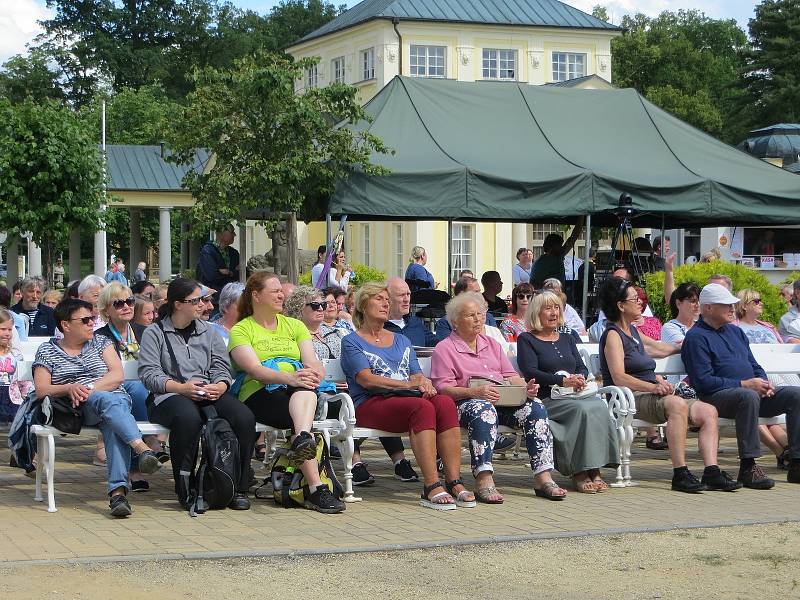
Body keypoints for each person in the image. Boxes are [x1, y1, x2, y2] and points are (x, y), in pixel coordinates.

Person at [340, 282, 474, 510]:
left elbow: (417, 375)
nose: (385, 303)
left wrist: (425, 383)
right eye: (378, 299)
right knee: (422, 408)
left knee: (444, 403)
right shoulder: (352, 341)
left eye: (386, 299)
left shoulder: (401, 340)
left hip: (406, 400)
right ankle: (431, 485)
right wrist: (407, 383)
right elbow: (366, 380)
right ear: (363, 305)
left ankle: (454, 481)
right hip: (370, 404)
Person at [598, 277, 739, 493]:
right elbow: (619, 377)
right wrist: (653, 386)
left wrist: (686, 344)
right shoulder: (613, 336)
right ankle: (680, 472)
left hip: (651, 394)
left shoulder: (633, 332)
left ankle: (712, 472)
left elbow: (660, 349)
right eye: (635, 299)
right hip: (629, 396)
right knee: (677, 405)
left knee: (708, 411)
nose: (640, 303)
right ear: (620, 305)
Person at [432, 292, 567, 502]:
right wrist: (474, 392)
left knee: (536, 407)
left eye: (480, 314)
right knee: (483, 410)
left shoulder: (492, 344)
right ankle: (483, 478)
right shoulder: (445, 348)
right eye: (471, 315)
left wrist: (525, 389)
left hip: (502, 402)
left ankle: (543, 476)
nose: (478, 319)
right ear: (455, 321)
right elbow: (443, 388)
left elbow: (510, 375)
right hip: (465, 405)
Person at [227, 272, 344, 513]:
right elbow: (254, 370)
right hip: (258, 394)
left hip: (296, 391)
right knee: (301, 413)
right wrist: (290, 376)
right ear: (256, 296)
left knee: (306, 394)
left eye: (282, 290)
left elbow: (312, 361)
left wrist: (314, 373)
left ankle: (303, 443)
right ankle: (316, 488)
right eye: (275, 291)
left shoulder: (294, 326)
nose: (282, 294)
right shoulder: (242, 330)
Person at [34, 298, 161, 517]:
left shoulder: (102, 342)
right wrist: (68, 388)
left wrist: (86, 388)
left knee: (110, 415)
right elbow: (42, 389)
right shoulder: (48, 350)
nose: (92, 323)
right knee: (108, 404)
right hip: (77, 409)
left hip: (112, 402)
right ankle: (141, 449)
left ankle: (118, 495)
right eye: (85, 320)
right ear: (66, 325)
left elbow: (117, 376)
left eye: (92, 318)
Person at [138, 278, 255, 511]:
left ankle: (238, 487)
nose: (203, 305)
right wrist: (181, 388)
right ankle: (186, 487)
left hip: (208, 392)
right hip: (168, 396)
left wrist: (221, 385)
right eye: (197, 300)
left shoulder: (208, 331)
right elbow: (149, 374)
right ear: (178, 304)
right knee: (188, 419)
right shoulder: (155, 332)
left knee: (244, 417)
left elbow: (222, 366)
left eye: (203, 299)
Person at [682, 283, 800, 488]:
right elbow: (703, 381)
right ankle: (748, 467)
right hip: (716, 398)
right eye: (726, 305)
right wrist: (745, 384)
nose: (732, 309)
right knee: (747, 396)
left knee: (796, 395)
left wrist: (764, 382)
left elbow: (754, 364)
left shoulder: (735, 333)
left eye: (733, 304)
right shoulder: (696, 337)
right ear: (708, 308)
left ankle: (797, 463)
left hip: (750, 394)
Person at [517, 290, 618, 493]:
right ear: (536, 313)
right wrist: (563, 381)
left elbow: (580, 366)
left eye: (557, 307)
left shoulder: (567, 338)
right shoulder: (527, 339)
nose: (554, 312)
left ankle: (595, 468)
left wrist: (579, 378)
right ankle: (579, 471)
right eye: (548, 308)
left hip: (573, 395)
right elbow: (530, 371)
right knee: (581, 410)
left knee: (598, 406)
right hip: (547, 398)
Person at [96, 282, 164, 492]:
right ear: (106, 309)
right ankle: (150, 444)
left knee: (140, 391)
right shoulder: (100, 337)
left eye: (129, 301)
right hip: (116, 391)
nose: (126, 306)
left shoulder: (146, 331)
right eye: (118, 303)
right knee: (132, 392)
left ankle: (136, 468)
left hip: (148, 389)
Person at [735, 288, 793, 470]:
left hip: (780, 370)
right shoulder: (735, 328)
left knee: (792, 395)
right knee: (758, 407)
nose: (762, 304)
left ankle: (788, 451)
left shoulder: (767, 327)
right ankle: (783, 451)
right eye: (757, 301)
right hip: (755, 375)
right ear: (745, 305)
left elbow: (781, 350)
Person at [435, 277, 496, 342]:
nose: (480, 295)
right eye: (475, 292)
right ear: (461, 294)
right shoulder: (445, 323)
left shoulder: (489, 318)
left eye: (479, 291)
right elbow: (447, 348)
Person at [530, 218, 584, 288]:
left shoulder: (558, 256)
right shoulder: (541, 263)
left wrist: (581, 218)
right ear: (552, 246)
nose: (561, 247)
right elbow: (533, 284)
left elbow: (572, 238)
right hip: (546, 296)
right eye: (559, 246)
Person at [384, 277, 436, 347]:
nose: (406, 299)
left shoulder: (415, 323)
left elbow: (440, 345)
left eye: (408, 294)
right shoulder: (379, 327)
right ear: (387, 298)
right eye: (401, 295)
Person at [0, 309, 31, 424]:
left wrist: (26, 398)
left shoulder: (15, 355)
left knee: (22, 419)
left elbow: (24, 381)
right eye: (3, 329)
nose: (7, 333)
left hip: (12, 399)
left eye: (10, 329)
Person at [197, 225, 240, 304]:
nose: (234, 235)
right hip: (213, 299)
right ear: (221, 234)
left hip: (231, 299)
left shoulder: (234, 253)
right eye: (232, 232)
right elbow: (212, 276)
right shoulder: (207, 251)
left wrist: (229, 272)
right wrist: (232, 272)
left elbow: (240, 273)